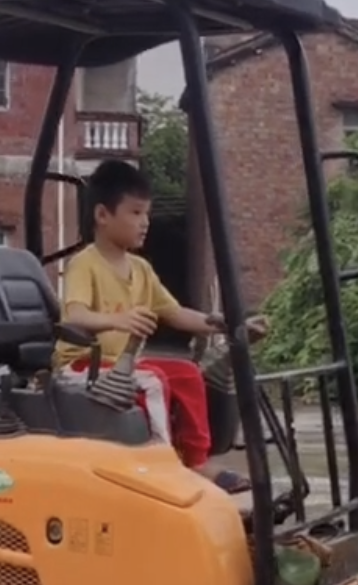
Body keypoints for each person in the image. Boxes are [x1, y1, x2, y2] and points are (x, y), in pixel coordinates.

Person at [55, 158, 266, 482]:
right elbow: (75, 315)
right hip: (83, 366)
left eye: (146, 214)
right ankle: (164, 467)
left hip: (122, 367)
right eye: (135, 213)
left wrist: (227, 324)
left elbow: (175, 313)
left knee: (187, 372)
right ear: (102, 215)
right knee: (154, 380)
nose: (145, 222)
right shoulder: (85, 264)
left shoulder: (141, 269)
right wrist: (119, 319)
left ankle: (196, 460)